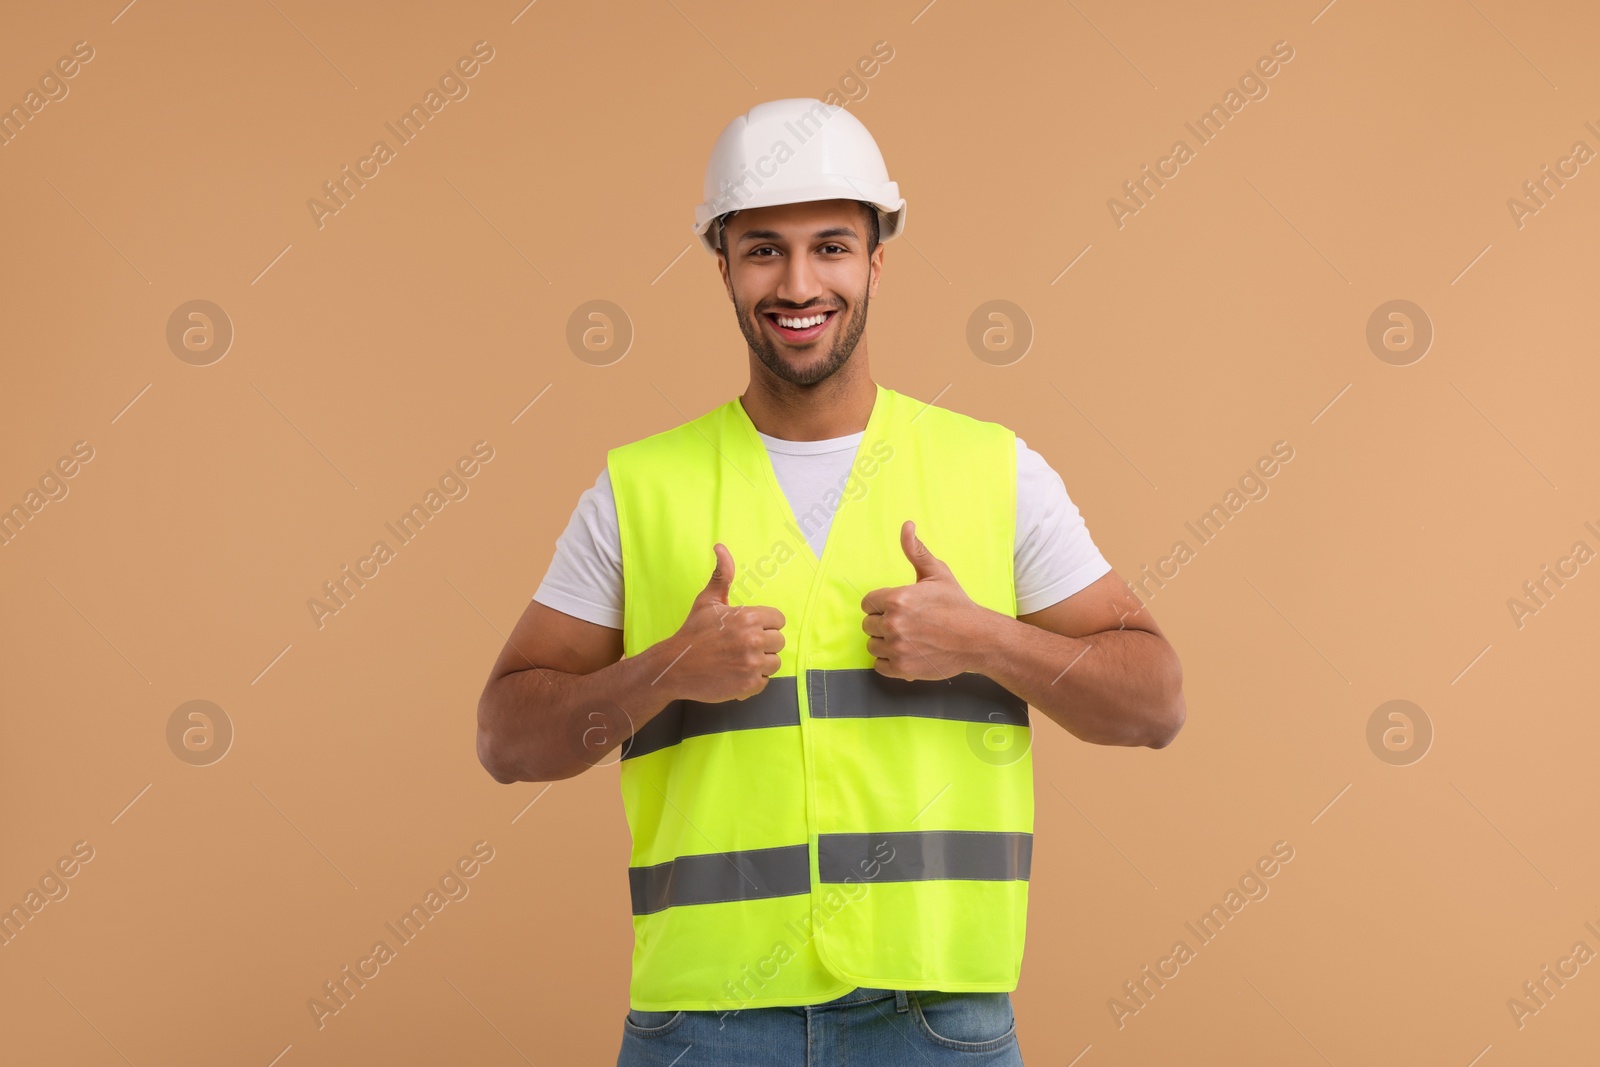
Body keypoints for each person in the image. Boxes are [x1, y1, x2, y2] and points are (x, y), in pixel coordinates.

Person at [476, 98, 1186, 1066]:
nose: (798, 282)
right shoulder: (638, 489)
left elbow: (1152, 703)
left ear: (876, 262)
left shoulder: (994, 470)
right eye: (764, 248)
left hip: (937, 1019)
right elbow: (506, 738)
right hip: (703, 1022)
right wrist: (665, 670)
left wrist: (987, 639)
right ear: (721, 263)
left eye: (831, 247)